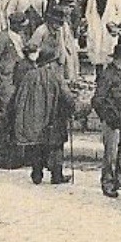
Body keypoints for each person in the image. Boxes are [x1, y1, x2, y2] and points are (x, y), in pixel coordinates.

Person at [12, 40, 75, 185]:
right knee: (56, 145)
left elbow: (20, 97)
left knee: (37, 145)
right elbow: (66, 96)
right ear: (49, 62)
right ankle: (56, 175)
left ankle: (37, 173)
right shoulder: (55, 76)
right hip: (54, 118)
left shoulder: (30, 75)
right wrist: (72, 108)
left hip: (35, 118)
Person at [91, 34, 121, 197]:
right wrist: (108, 117)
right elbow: (98, 100)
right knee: (110, 153)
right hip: (112, 120)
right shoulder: (107, 74)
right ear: (118, 59)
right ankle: (108, 182)